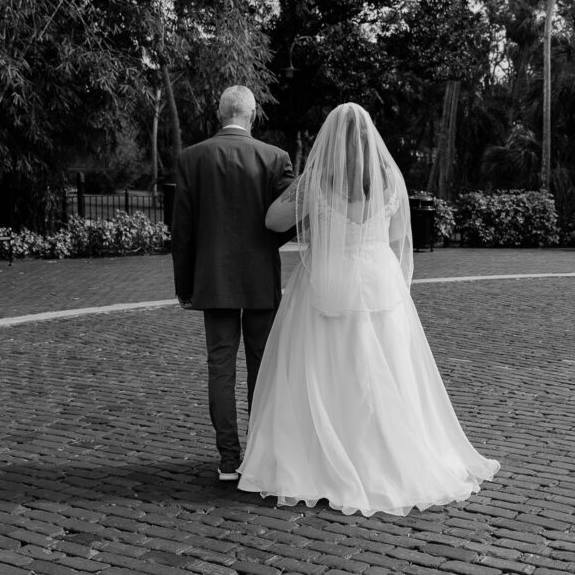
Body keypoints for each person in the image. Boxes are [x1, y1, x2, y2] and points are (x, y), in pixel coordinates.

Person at [237, 102, 499, 516]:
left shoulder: (316, 181)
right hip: (380, 285)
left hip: (326, 282)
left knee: (322, 370)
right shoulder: (389, 180)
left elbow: (273, 220)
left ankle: (320, 456)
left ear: (330, 140)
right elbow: (397, 236)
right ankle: (385, 453)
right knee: (387, 371)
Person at [171, 85, 295, 482]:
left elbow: (183, 230)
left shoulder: (193, 158)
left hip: (213, 278)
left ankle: (228, 459)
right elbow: (288, 221)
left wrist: (185, 285)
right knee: (262, 365)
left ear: (219, 112)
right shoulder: (275, 158)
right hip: (259, 278)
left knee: (219, 367)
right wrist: (265, 245)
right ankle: (258, 455)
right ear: (253, 114)